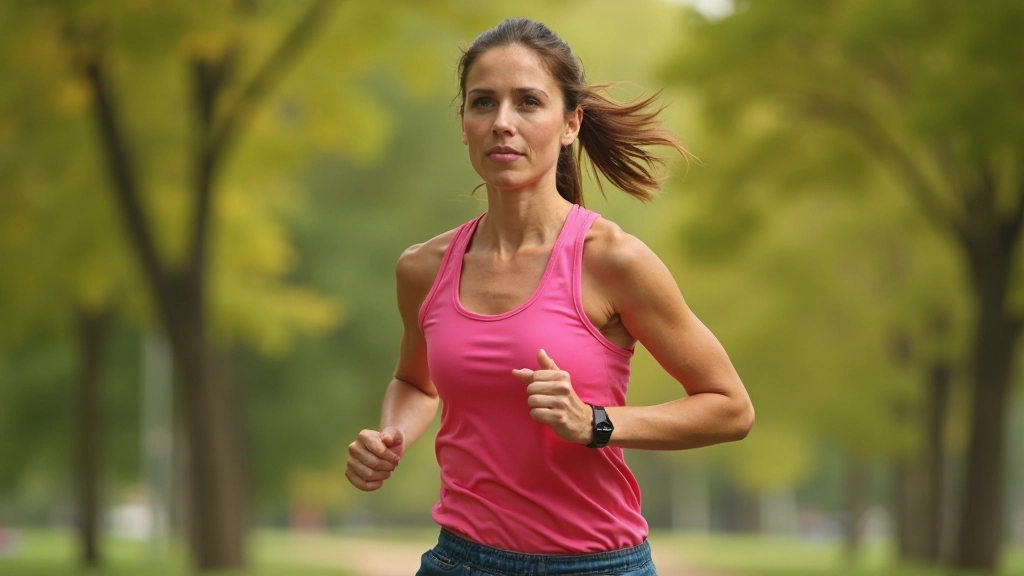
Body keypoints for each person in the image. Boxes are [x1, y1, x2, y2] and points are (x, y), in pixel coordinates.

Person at [345, 17, 754, 576]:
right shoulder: (423, 268)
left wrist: (596, 422)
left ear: (570, 124)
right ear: (463, 123)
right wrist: (391, 433)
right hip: (460, 561)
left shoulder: (614, 261)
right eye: (483, 103)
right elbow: (416, 382)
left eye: (529, 102)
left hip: (598, 566)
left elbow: (730, 408)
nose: (502, 123)